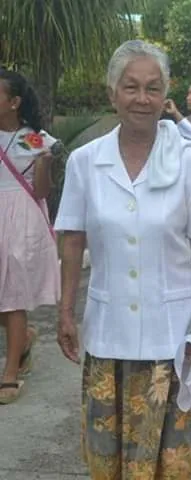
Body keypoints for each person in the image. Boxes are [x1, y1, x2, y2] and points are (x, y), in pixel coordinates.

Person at [55, 40, 191, 478]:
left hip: (174, 335)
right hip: (107, 331)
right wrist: (65, 310)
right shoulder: (84, 162)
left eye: (153, 88)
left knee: (173, 460)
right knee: (108, 460)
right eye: (131, 87)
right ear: (112, 93)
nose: (142, 99)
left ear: (164, 94)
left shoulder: (190, 164)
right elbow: (72, 239)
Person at [0, 70, 59, 404]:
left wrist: (43, 164)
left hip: (21, 219)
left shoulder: (29, 138)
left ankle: (9, 374)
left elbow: (41, 190)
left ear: (14, 102)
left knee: (13, 294)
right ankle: (23, 339)